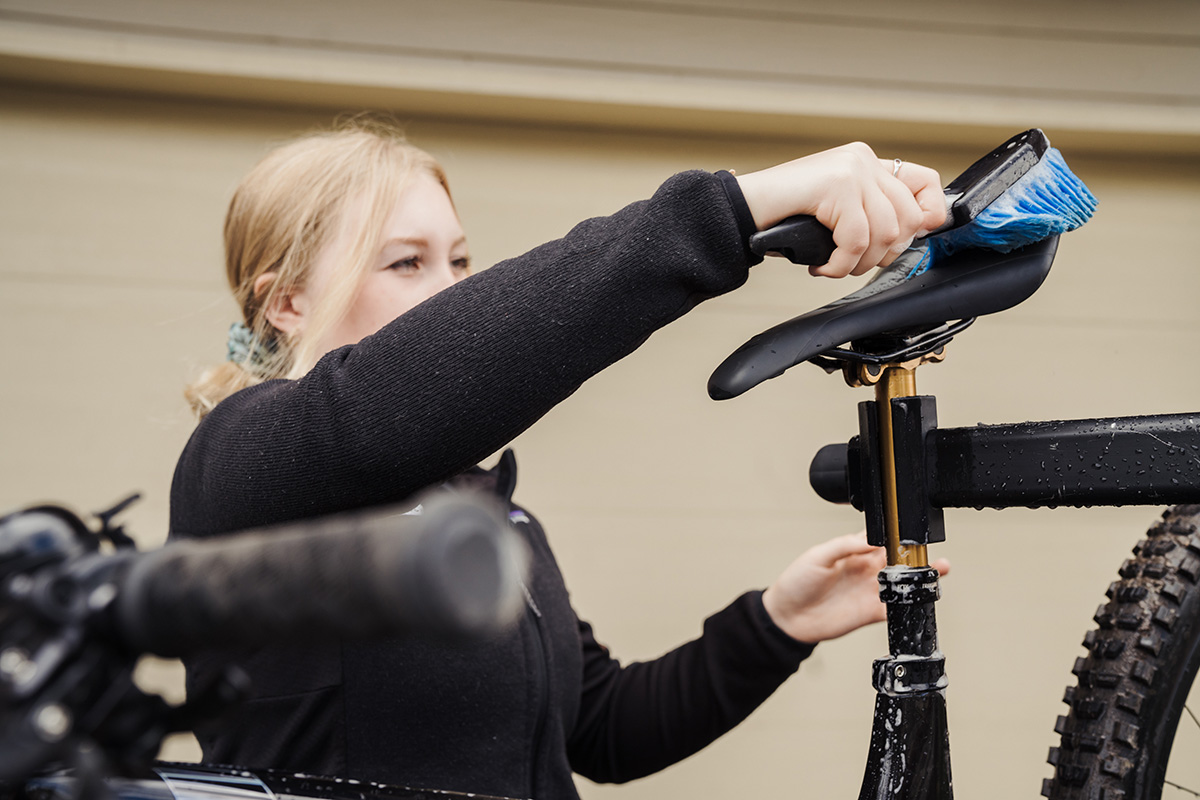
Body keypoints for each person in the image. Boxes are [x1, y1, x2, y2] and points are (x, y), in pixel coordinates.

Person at [172, 120, 949, 798]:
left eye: (460, 261)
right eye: (406, 263)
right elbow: (393, 400)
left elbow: (601, 728)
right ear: (286, 302)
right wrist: (733, 210)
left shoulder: (485, 508)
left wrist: (776, 624)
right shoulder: (239, 468)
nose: (451, 289)